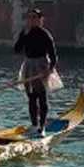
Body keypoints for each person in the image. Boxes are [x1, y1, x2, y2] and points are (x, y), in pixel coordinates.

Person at [14, 8, 63, 136]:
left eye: (34, 18)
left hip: (41, 66)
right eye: (29, 18)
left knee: (41, 96)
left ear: (40, 20)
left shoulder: (45, 34)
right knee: (31, 97)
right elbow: (17, 49)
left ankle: (42, 127)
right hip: (28, 66)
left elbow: (53, 55)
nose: (31, 20)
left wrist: (50, 69)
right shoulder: (24, 33)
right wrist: (23, 36)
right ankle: (34, 125)